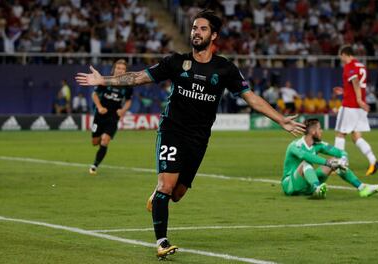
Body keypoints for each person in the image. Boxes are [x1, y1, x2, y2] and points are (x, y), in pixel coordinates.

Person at [76, 10, 305, 259]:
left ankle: (159, 194)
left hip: (199, 139)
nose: (196, 32)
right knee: (166, 186)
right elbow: (138, 77)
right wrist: (103, 80)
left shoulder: (225, 69)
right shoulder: (176, 62)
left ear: (214, 35)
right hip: (172, 131)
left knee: (177, 194)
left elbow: (252, 99)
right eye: (195, 28)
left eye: (203, 28)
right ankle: (162, 242)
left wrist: (280, 119)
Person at [282, 118, 378, 198]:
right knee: (306, 163)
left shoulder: (318, 145)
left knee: (335, 161)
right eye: (319, 129)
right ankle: (317, 188)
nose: (321, 131)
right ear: (313, 131)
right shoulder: (295, 145)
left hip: (306, 186)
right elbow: (305, 156)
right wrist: (327, 162)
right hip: (291, 185)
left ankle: (362, 188)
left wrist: (343, 159)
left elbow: (340, 152)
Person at [334, 45, 378, 176]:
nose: (340, 59)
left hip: (350, 106)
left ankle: (340, 163)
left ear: (344, 54)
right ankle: (373, 160)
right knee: (356, 136)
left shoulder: (349, 66)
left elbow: (355, 81)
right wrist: (344, 91)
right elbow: (357, 85)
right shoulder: (361, 66)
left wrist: (358, 99)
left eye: (340, 56)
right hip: (359, 108)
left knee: (340, 134)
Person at [88, 59, 133, 175]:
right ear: (114, 69)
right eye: (118, 68)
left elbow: (128, 101)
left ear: (125, 71)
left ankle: (94, 165)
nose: (120, 71)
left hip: (113, 116)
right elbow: (94, 94)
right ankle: (99, 144)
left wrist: (123, 110)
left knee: (105, 140)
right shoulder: (105, 81)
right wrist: (99, 107)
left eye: (123, 69)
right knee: (95, 142)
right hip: (100, 115)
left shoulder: (127, 85)